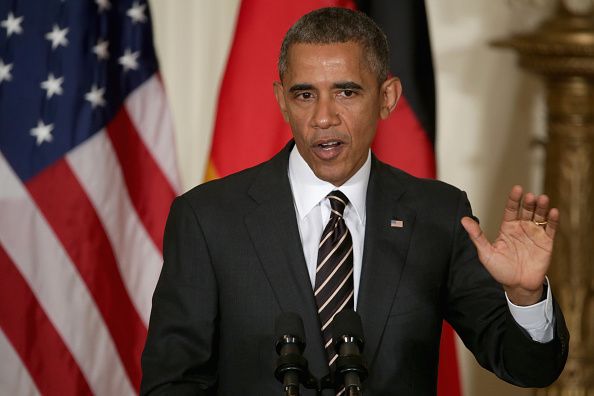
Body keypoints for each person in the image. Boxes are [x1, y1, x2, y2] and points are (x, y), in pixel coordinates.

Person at [140, 7, 568, 395]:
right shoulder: (207, 218)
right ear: (281, 101)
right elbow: (172, 384)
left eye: (346, 92)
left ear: (388, 98)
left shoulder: (438, 215)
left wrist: (525, 297)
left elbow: (528, 368)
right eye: (304, 95)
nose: (323, 117)